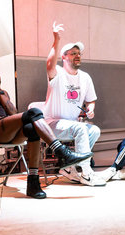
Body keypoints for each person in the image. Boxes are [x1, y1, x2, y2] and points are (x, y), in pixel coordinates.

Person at [0, 58, 92, 199]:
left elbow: (13, 113)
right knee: (34, 112)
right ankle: (62, 152)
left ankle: (33, 183)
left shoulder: (2, 93)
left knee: (32, 128)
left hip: (7, 130)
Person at [43, 22, 104, 186]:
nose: (78, 56)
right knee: (81, 128)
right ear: (64, 57)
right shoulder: (58, 73)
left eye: (79, 53)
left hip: (71, 124)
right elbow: (49, 64)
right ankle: (86, 172)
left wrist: (90, 109)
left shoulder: (85, 77)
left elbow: (91, 100)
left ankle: (70, 168)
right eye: (73, 53)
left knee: (94, 130)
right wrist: (56, 40)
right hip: (51, 125)